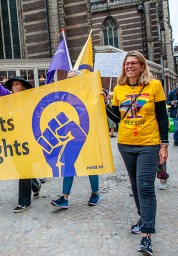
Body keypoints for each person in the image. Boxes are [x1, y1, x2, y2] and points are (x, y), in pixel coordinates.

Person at [106, 51, 168, 255]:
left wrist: (164, 144)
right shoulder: (118, 89)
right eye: (127, 63)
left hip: (148, 143)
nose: (130, 66)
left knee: (145, 187)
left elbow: (161, 116)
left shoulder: (155, 86)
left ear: (142, 66)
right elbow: (117, 118)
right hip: (125, 143)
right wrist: (105, 104)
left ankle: (146, 234)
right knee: (135, 185)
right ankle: (145, 218)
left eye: (134, 63)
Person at [0, 63, 41, 213]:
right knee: (20, 168)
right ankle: (35, 185)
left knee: (23, 168)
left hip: (27, 138)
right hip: (13, 139)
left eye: (18, 84)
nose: (15, 86)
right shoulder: (8, 97)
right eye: (14, 84)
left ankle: (24, 202)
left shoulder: (30, 99)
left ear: (23, 86)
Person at [50, 69, 100, 209]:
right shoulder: (65, 97)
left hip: (87, 137)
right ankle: (64, 198)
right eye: (68, 78)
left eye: (73, 77)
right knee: (68, 166)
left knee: (91, 166)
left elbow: (98, 103)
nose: (70, 80)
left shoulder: (88, 94)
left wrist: (105, 95)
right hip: (71, 139)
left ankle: (95, 193)